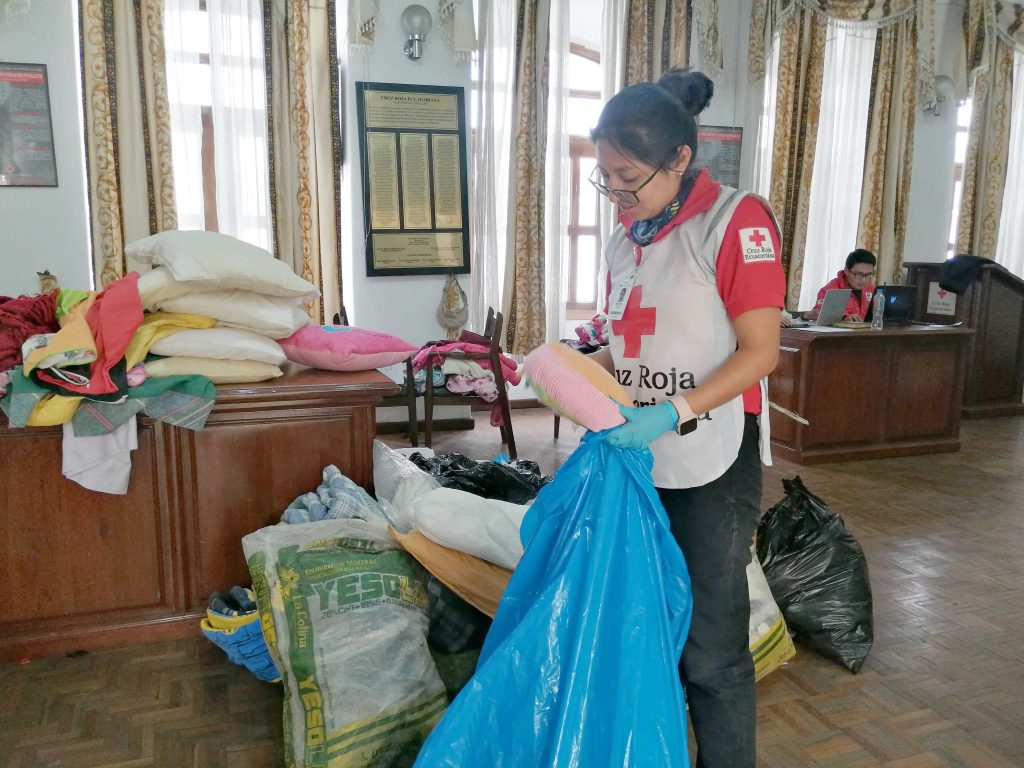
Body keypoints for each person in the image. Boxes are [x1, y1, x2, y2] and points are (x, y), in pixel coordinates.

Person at [586, 68, 785, 768]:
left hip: (710, 457)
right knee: (650, 628)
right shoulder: (626, 237)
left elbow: (760, 353)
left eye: (627, 176)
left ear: (678, 159)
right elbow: (623, 347)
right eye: (604, 175)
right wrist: (568, 374)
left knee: (710, 646)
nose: (614, 193)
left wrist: (675, 409)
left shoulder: (736, 221)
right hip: (642, 456)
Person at [806, 249, 877, 321]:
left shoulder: (870, 289)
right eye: (858, 274)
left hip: (866, 331)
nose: (863, 280)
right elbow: (819, 314)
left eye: (868, 275)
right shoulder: (831, 290)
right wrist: (843, 318)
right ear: (846, 271)